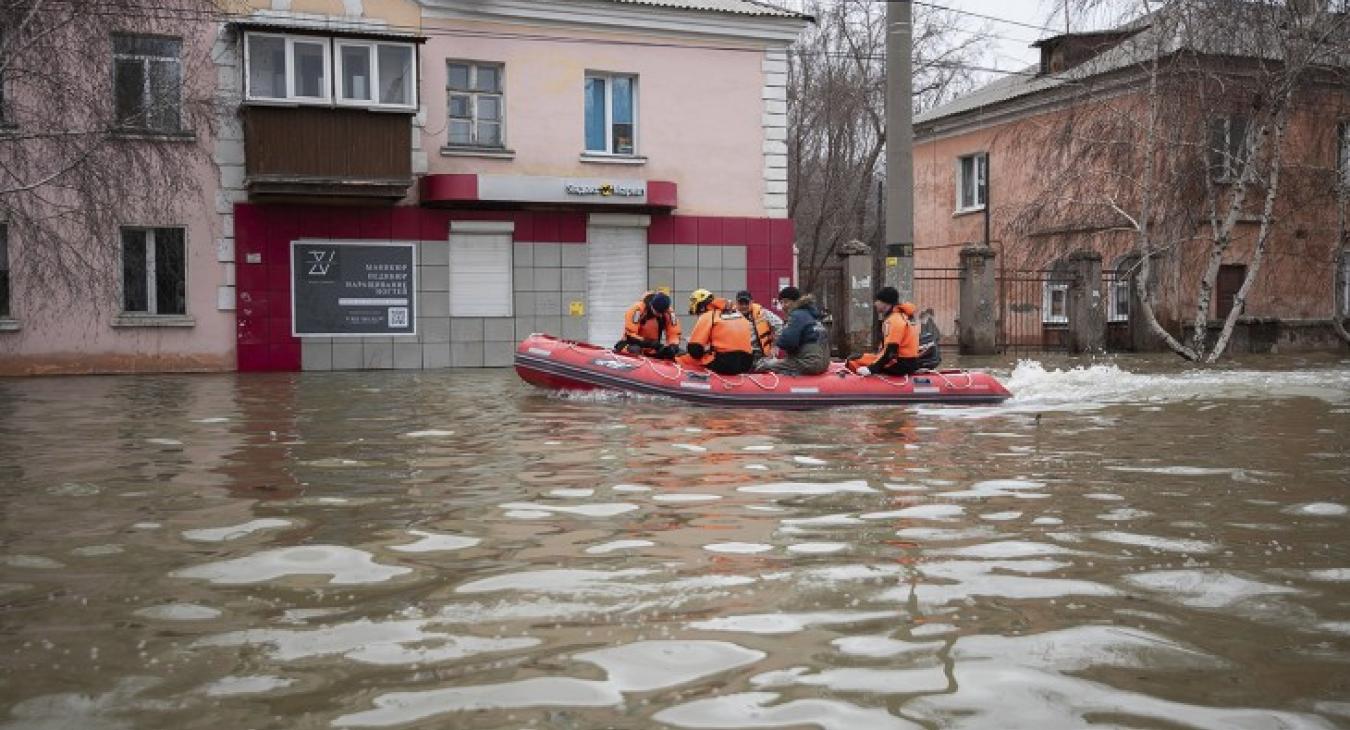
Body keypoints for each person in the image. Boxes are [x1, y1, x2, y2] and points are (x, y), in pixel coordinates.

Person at [675, 288, 755, 375]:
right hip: (747, 363)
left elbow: (695, 350)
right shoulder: (738, 314)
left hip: (725, 362)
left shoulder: (708, 315)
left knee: (684, 358)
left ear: (701, 308)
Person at [846, 287, 921, 376]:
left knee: (852, 361)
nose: (875, 303)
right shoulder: (902, 316)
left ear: (886, 303)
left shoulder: (894, 320)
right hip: (906, 361)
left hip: (900, 364)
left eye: (877, 301)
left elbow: (891, 352)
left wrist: (871, 369)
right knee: (856, 357)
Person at [758, 286, 829, 375]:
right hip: (823, 364)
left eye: (786, 302)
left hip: (810, 363)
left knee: (763, 365)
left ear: (796, 301)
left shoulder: (796, 315)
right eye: (781, 302)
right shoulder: (812, 315)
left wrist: (777, 342)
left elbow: (788, 342)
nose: (783, 306)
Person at [614, 291, 681, 359]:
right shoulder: (637, 310)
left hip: (653, 348)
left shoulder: (669, 313)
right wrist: (651, 343)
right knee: (634, 349)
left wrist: (673, 346)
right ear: (652, 305)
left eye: (661, 312)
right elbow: (630, 335)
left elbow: (674, 333)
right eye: (657, 311)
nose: (659, 314)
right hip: (632, 344)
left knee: (679, 354)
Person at [732, 289, 782, 364]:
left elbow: (779, 324)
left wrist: (775, 347)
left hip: (760, 357)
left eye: (746, 303)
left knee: (777, 364)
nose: (744, 306)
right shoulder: (730, 316)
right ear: (736, 303)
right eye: (741, 303)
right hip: (739, 358)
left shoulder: (762, 313)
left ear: (752, 302)